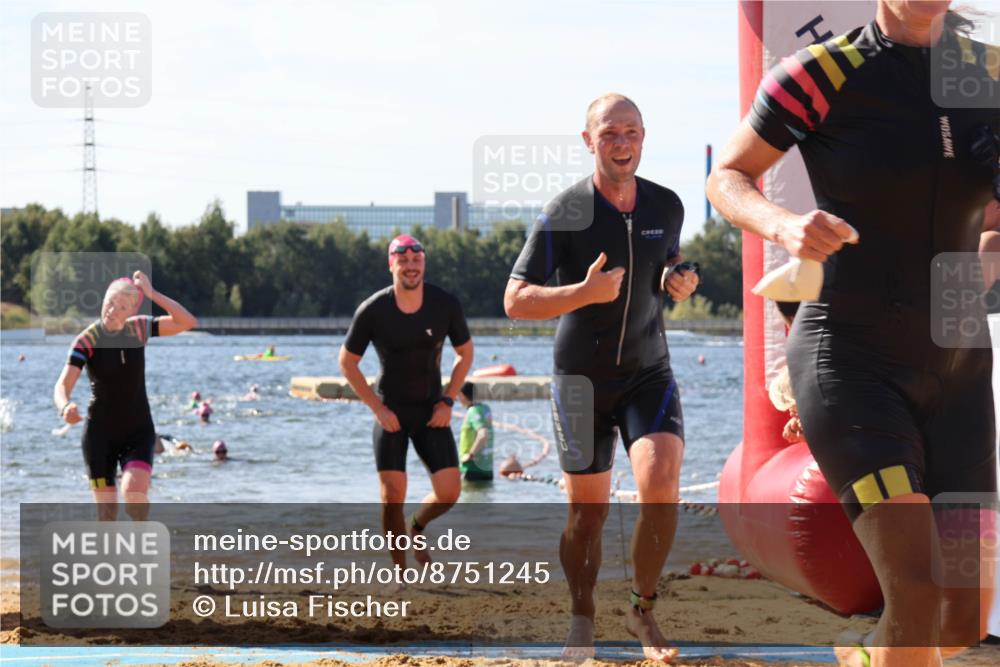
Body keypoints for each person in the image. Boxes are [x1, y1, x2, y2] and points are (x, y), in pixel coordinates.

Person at [706, 3, 999, 665]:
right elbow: (727, 176)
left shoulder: (989, 75)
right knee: (916, 593)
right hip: (851, 360)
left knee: (963, 616)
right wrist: (782, 224)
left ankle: (863, 658)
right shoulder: (820, 73)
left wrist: (990, 251)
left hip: (959, 370)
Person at [504, 93, 699, 661]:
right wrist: (582, 293)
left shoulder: (667, 205)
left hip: (647, 371)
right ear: (589, 140)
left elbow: (666, 263)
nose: (621, 143)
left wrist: (680, 279)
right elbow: (515, 299)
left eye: (631, 132)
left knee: (660, 482)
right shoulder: (565, 211)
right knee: (587, 516)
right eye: (610, 133)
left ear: (644, 138)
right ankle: (582, 616)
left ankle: (642, 609)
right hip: (580, 381)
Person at [339, 234, 474, 572]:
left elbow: (465, 353)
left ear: (423, 264)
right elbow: (347, 362)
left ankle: (416, 526)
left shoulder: (445, 304)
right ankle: (399, 572)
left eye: (417, 261)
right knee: (391, 496)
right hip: (391, 414)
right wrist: (378, 409)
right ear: (392, 265)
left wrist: (448, 400)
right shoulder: (373, 310)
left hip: (431, 411)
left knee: (449, 492)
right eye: (403, 261)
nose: (411, 267)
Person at [53, 272, 197, 521]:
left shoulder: (138, 329)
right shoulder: (87, 340)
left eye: (121, 307)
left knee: (133, 494)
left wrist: (152, 294)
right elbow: (62, 385)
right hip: (99, 436)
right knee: (107, 515)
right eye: (110, 302)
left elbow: (186, 322)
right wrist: (65, 406)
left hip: (138, 431)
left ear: (132, 311)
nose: (112, 310)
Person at [457, 382, 493, 482]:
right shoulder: (486, 409)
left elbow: (483, 434)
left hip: (472, 468)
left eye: (458, 396)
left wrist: (470, 455)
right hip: (487, 469)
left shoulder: (473, 411)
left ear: (462, 395)